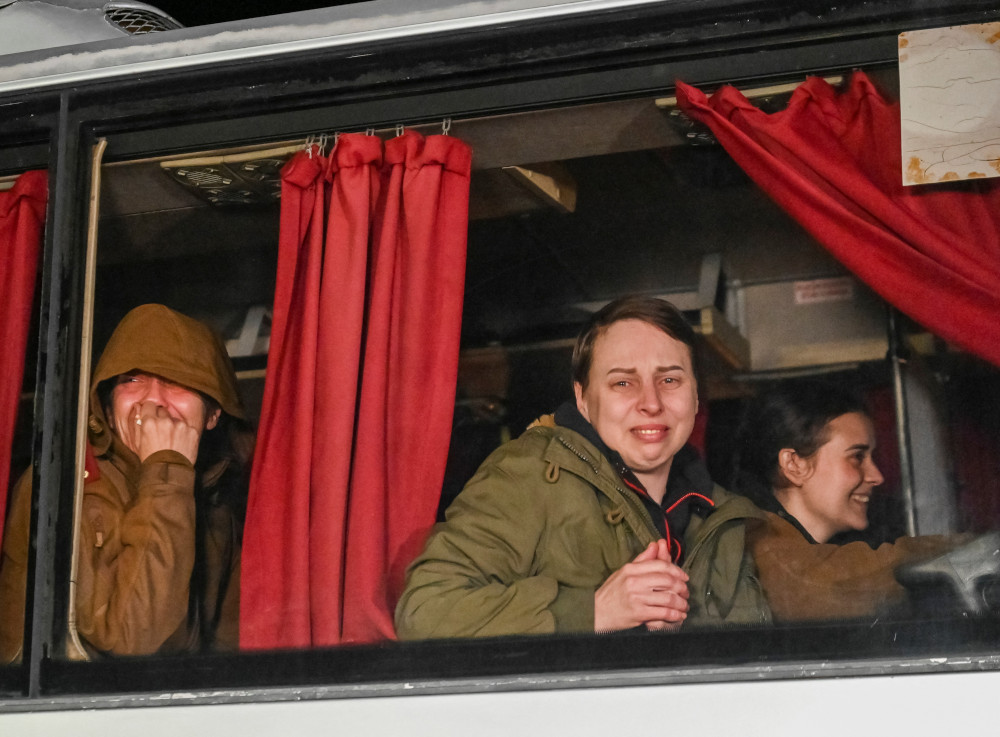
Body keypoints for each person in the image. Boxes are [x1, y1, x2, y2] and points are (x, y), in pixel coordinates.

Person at [395, 295, 770, 639]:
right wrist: (594, 610)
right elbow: (425, 611)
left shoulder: (724, 513)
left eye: (669, 379)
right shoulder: (529, 476)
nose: (651, 402)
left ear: (695, 396)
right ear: (584, 399)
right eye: (623, 382)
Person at [0, 304, 253, 661]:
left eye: (176, 382)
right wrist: (167, 468)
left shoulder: (216, 503)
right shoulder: (70, 488)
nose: (151, 400)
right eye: (131, 380)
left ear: (212, 415)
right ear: (107, 402)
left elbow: (230, 652)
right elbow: (131, 643)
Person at [732, 380, 962, 622]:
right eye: (857, 457)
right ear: (794, 465)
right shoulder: (757, 541)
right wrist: (968, 552)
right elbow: (822, 587)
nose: (877, 476)